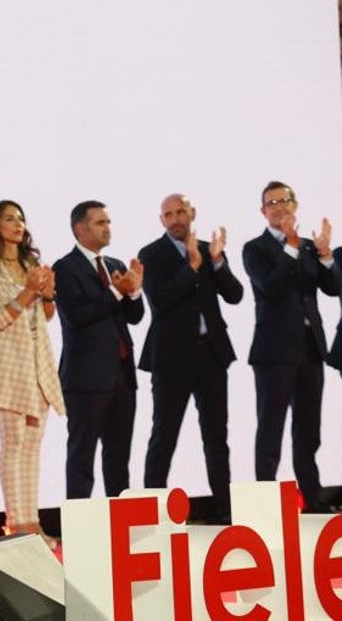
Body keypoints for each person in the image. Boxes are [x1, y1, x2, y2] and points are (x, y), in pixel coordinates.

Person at [138, 194, 243, 522]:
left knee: (216, 438)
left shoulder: (209, 248)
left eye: (180, 212)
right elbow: (160, 300)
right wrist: (193, 267)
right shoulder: (151, 254)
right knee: (163, 437)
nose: (175, 219)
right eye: (168, 214)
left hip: (210, 355)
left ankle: (226, 512)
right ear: (161, 220)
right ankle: (152, 514)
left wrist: (216, 261)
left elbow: (235, 295)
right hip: (171, 359)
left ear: (192, 213)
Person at [242, 181, 339, 512]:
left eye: (284, 200)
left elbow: (334, 288)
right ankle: (265, 505)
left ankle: (312, 500)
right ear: (263, 211)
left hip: (311, 350)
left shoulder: (311, 246)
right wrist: (291, 249)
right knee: (271, 430)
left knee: (308, 432)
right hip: (273, 353)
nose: (279, 207)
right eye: (271, 202)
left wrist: (326, 258)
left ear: (295, 205)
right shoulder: (254, 249)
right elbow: (269, 287)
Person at [0, 201, 65, 545]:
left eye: (21, 218)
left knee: (33, 447)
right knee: (14, 445)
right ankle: (16, 524)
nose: (18, 224)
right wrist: (30, 290)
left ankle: (33, 522)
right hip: (9, 369)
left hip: (37, 365)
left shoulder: (30, 264)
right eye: (9, 218)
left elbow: (47, 315)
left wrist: (48, 293)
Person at [53, 200, 144, 500]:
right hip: (85, 379)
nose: (107, 228)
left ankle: (121, 525)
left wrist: (135, 290)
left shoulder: (116, 265)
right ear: (81, 229)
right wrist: (117, 291)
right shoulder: (65, 268)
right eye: (100, 223)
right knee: (82, 456)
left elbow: (134, 317)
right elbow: (77, 316)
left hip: (121, 375)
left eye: (108, 222)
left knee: (119, 458)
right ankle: (80, 527)